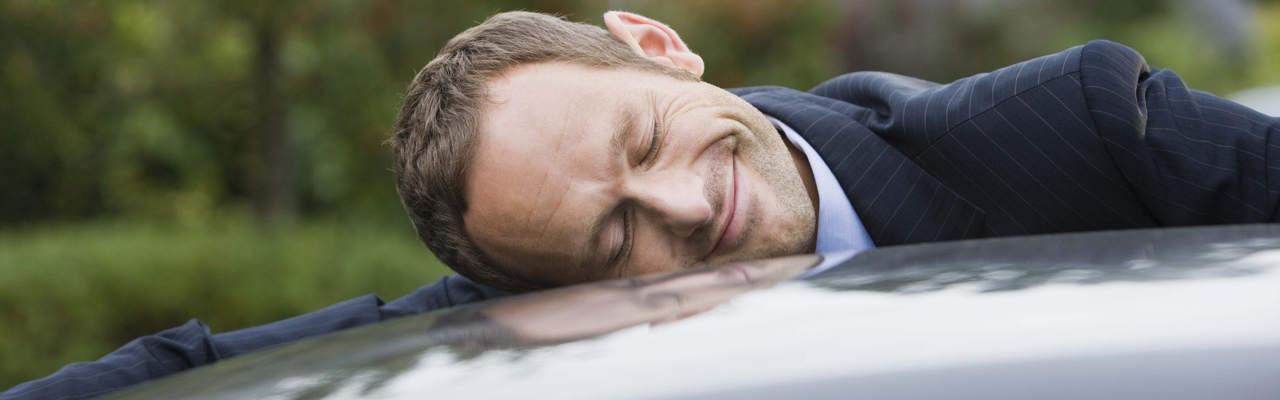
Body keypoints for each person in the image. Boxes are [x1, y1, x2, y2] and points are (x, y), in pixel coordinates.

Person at [5, 10, 1278, 400]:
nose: (681, 206)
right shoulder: (535, 321)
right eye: (611, 236)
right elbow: (203, 372)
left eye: (641, 135)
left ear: (660, 47)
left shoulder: (1081, 124)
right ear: (539, 292)